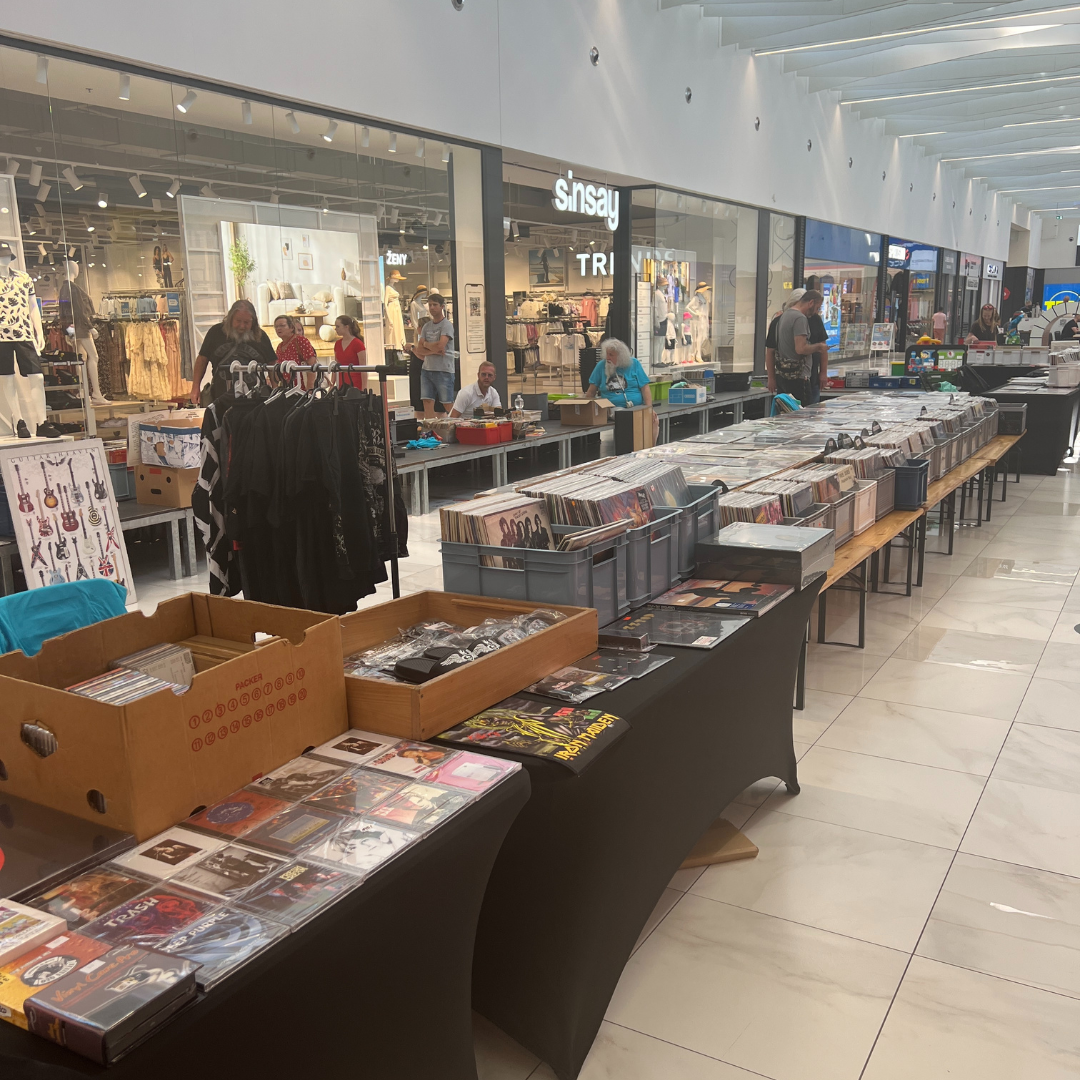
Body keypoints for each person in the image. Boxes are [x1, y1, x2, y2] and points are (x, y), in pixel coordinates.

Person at [190, 298, 277, 403]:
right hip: (222, 397)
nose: (242, 326)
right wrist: (195, 387)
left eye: (246, 322)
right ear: (231, 318)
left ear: (253, 322)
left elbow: (272, 364)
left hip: (256, 398)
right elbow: (202, 360)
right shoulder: (216, 332)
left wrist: (275, 389)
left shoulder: (260, 336)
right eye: (238, 321)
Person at [584, 337, 658, 440]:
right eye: (607, 354)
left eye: (611, 355)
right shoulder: (601, 366)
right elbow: (591, 391)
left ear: (621, 356)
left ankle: (650, 447)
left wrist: (649, 408)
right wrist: (587, 411)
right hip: (613, 408)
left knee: (654, 420)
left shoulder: (634, 364)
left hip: (637, 406)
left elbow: (645, 388)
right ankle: (629, 447)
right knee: (626, 417)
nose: (608, 358)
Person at [768, 290, 828, 407]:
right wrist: (819, 347)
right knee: (803, 414)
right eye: (817, 308)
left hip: (784, 375)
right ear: (811, 302)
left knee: (787, 412)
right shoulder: (800, 318)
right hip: (799, 377)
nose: (816, 312)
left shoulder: (784, 316)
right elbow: (800, 348)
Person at [409, 292, 456, 417]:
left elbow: (441, 345)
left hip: (443, 370)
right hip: (427, 369)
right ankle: (430, 427)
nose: (432, 308)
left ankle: (457, 424)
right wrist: (433, 349)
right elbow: (420, 349)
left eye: (435, 305)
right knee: (427, 401)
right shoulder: (426, 327)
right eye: (430, 305)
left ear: (442, 306)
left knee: (447, 402)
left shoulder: (446, 325)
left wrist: (427, 345)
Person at [333, 315, 367, 389]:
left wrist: (364, 387)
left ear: (346, 327)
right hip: (341, 384)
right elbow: (335, 365)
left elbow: (363, 368)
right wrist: (332, 384)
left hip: (355, 384)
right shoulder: (337, 344)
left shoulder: (358, 344)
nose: (335, 329)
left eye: (338, 326)